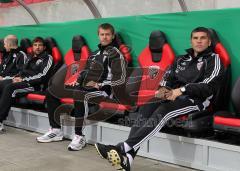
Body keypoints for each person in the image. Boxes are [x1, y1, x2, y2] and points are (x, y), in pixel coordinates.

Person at [94, 27, 225, 171]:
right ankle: (129, 158)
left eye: (203, 38)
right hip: (172, 95)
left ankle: (122, 147)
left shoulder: (214, 59)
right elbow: (168, 78)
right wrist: (163, 90)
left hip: (196, 100)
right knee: (148, 104)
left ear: (209, 41)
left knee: (164, 110)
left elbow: (209, 86)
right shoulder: (181, 59)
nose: (199, 41)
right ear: (191, 41)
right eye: (196, 38)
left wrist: (182, 90)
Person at [37, 23, 127, 151]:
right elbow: (86, 71)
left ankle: (79, 136)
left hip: (104, 91)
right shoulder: (94, 53)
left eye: (108, 34)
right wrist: (78, 81)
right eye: (102, 34)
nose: (105, 37)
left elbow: (120, 79)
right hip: (85, 87)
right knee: (52, 92)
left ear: (112, 36)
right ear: (98, 36)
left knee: (80, 94)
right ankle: (56, 130)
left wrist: (100, 84)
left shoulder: (116, 54)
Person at [0, 37, 53, 133]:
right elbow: (22, 71)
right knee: (1, 84)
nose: (37, 47)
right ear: (32, 47)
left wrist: (23, 79)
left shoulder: (48, 58)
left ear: (44, 47)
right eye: (35, 45)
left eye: (40, 45)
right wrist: (17, 77)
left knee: (10, 88)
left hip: (34, 85)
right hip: (23, 81)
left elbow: (43, 76)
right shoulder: (30, 56)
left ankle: (0, 120)